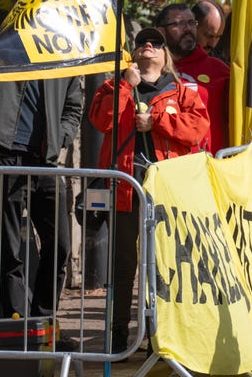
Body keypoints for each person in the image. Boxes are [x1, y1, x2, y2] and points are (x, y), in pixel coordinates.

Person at [87, 27, 210, 352]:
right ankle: (117, 338)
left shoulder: (182, 91)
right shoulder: (116, 86)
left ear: (165, 53)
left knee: (163, 263)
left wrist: (157, 121)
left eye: (156, 43)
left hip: (166, 190)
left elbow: (198, 128)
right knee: (124, 264)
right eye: (142, 43)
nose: (148, 47)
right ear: (134, 52)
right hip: (125, 186)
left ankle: (160, 334)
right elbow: (102, 122)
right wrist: (127, 85)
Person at [0, 74, 83, 323]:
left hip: (45, 161)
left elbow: (73, 107)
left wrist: (61, 137)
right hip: (7, 156)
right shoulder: (7, 53)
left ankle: (43, 318)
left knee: (59, 246)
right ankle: (15, 319)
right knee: (9, 247)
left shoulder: (60, 61)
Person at [156, 3, 229, 153]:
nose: (188, 29)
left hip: (210, 166)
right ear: (161, 32)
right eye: (179, 23)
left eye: (191, 23)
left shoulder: (219, 70)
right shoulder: (150, 70)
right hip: (166, 166)